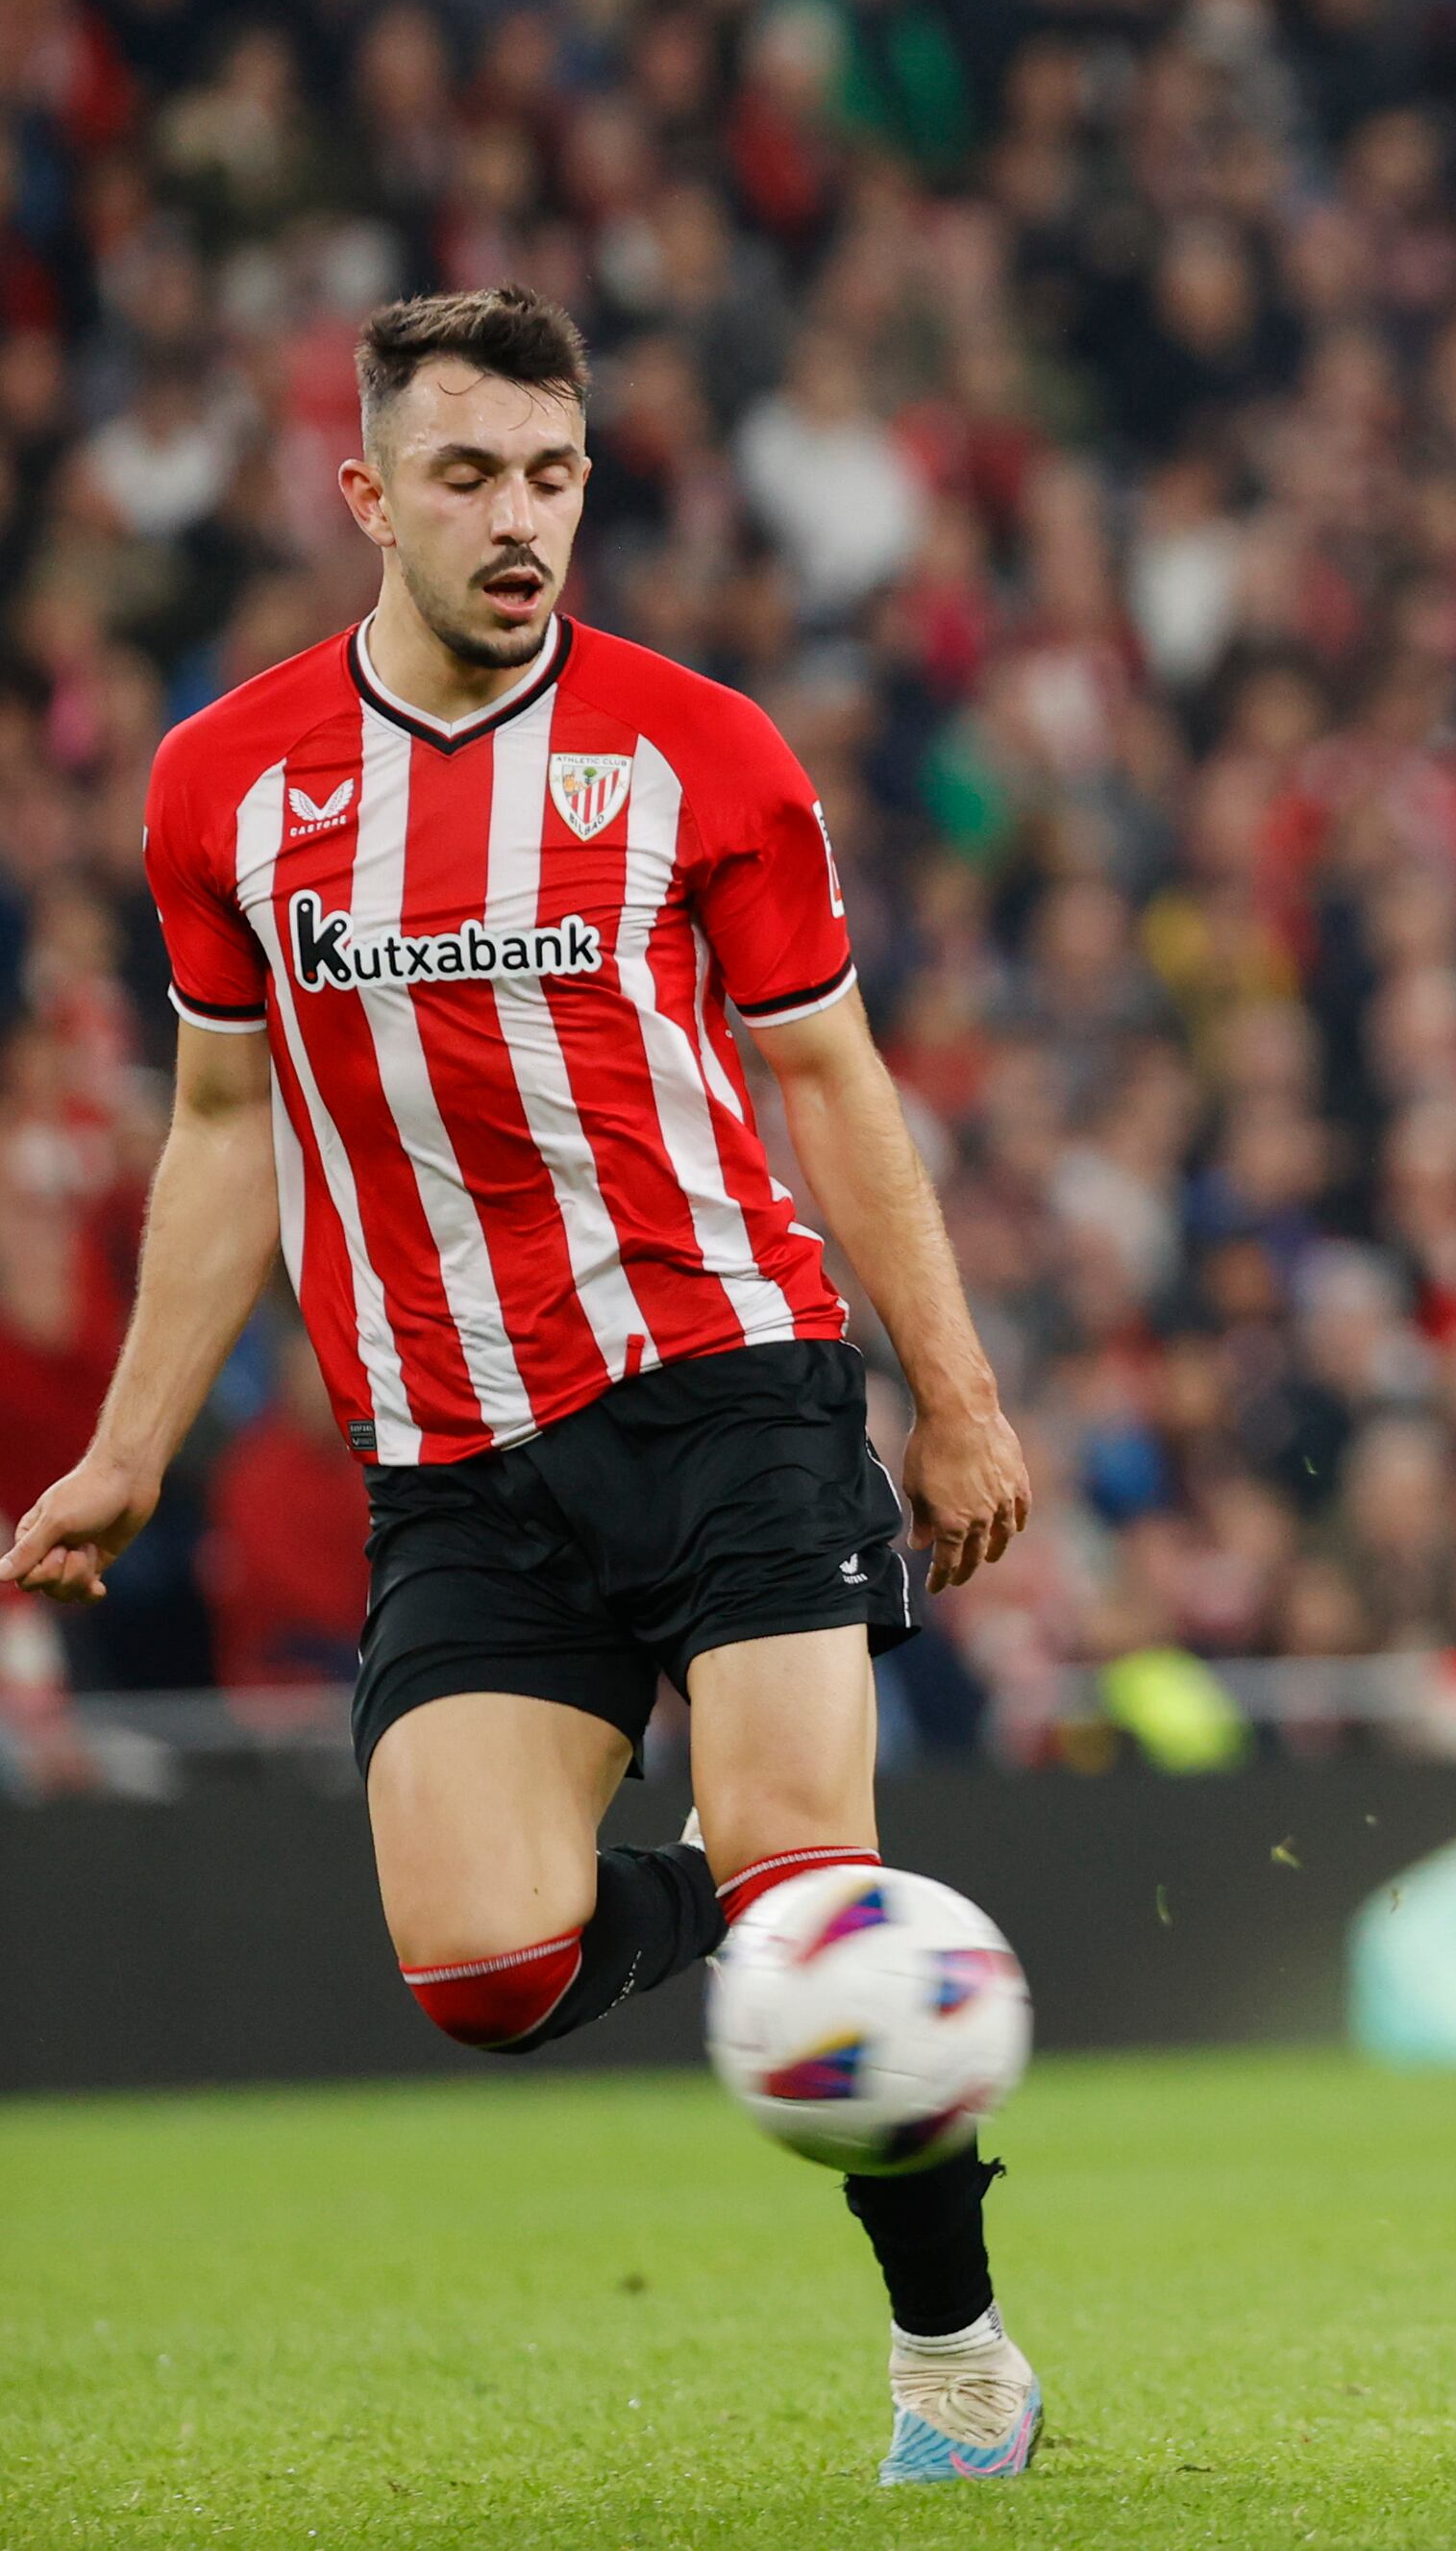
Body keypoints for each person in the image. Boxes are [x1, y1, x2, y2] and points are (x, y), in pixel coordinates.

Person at [0, 286, 1050, 2488]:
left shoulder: (703, 748)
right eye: (469, 476)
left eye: (554, 477)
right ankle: (801, 1916)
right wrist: (128, 1442)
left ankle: (954, 2359)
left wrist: (949, 1388)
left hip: (731, 1384)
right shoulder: (226, 781)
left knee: (804, 1879)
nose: (519, 522)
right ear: (367, 494)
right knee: (485, 1969)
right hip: (452, 1453)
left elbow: (830, 1078)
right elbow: (220, 1123)